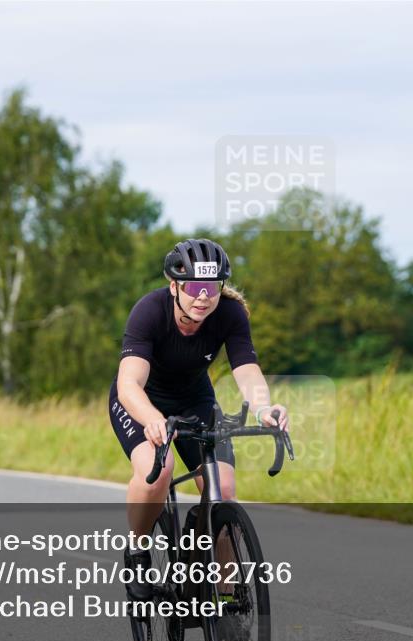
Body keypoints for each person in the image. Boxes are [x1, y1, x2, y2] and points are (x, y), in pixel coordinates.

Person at [108, 238, 288, 602]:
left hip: (195, 399)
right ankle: (138, 550)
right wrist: (152, 419)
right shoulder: (150, 311)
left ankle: (226, 596)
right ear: (174, 285)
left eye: (212, 287)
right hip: (143, 401)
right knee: (157, 470)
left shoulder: (230, 314)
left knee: (223, 488)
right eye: (194, 287)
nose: (203, 297)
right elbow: (129, 384)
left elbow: (247, 370)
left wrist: (263, 408)